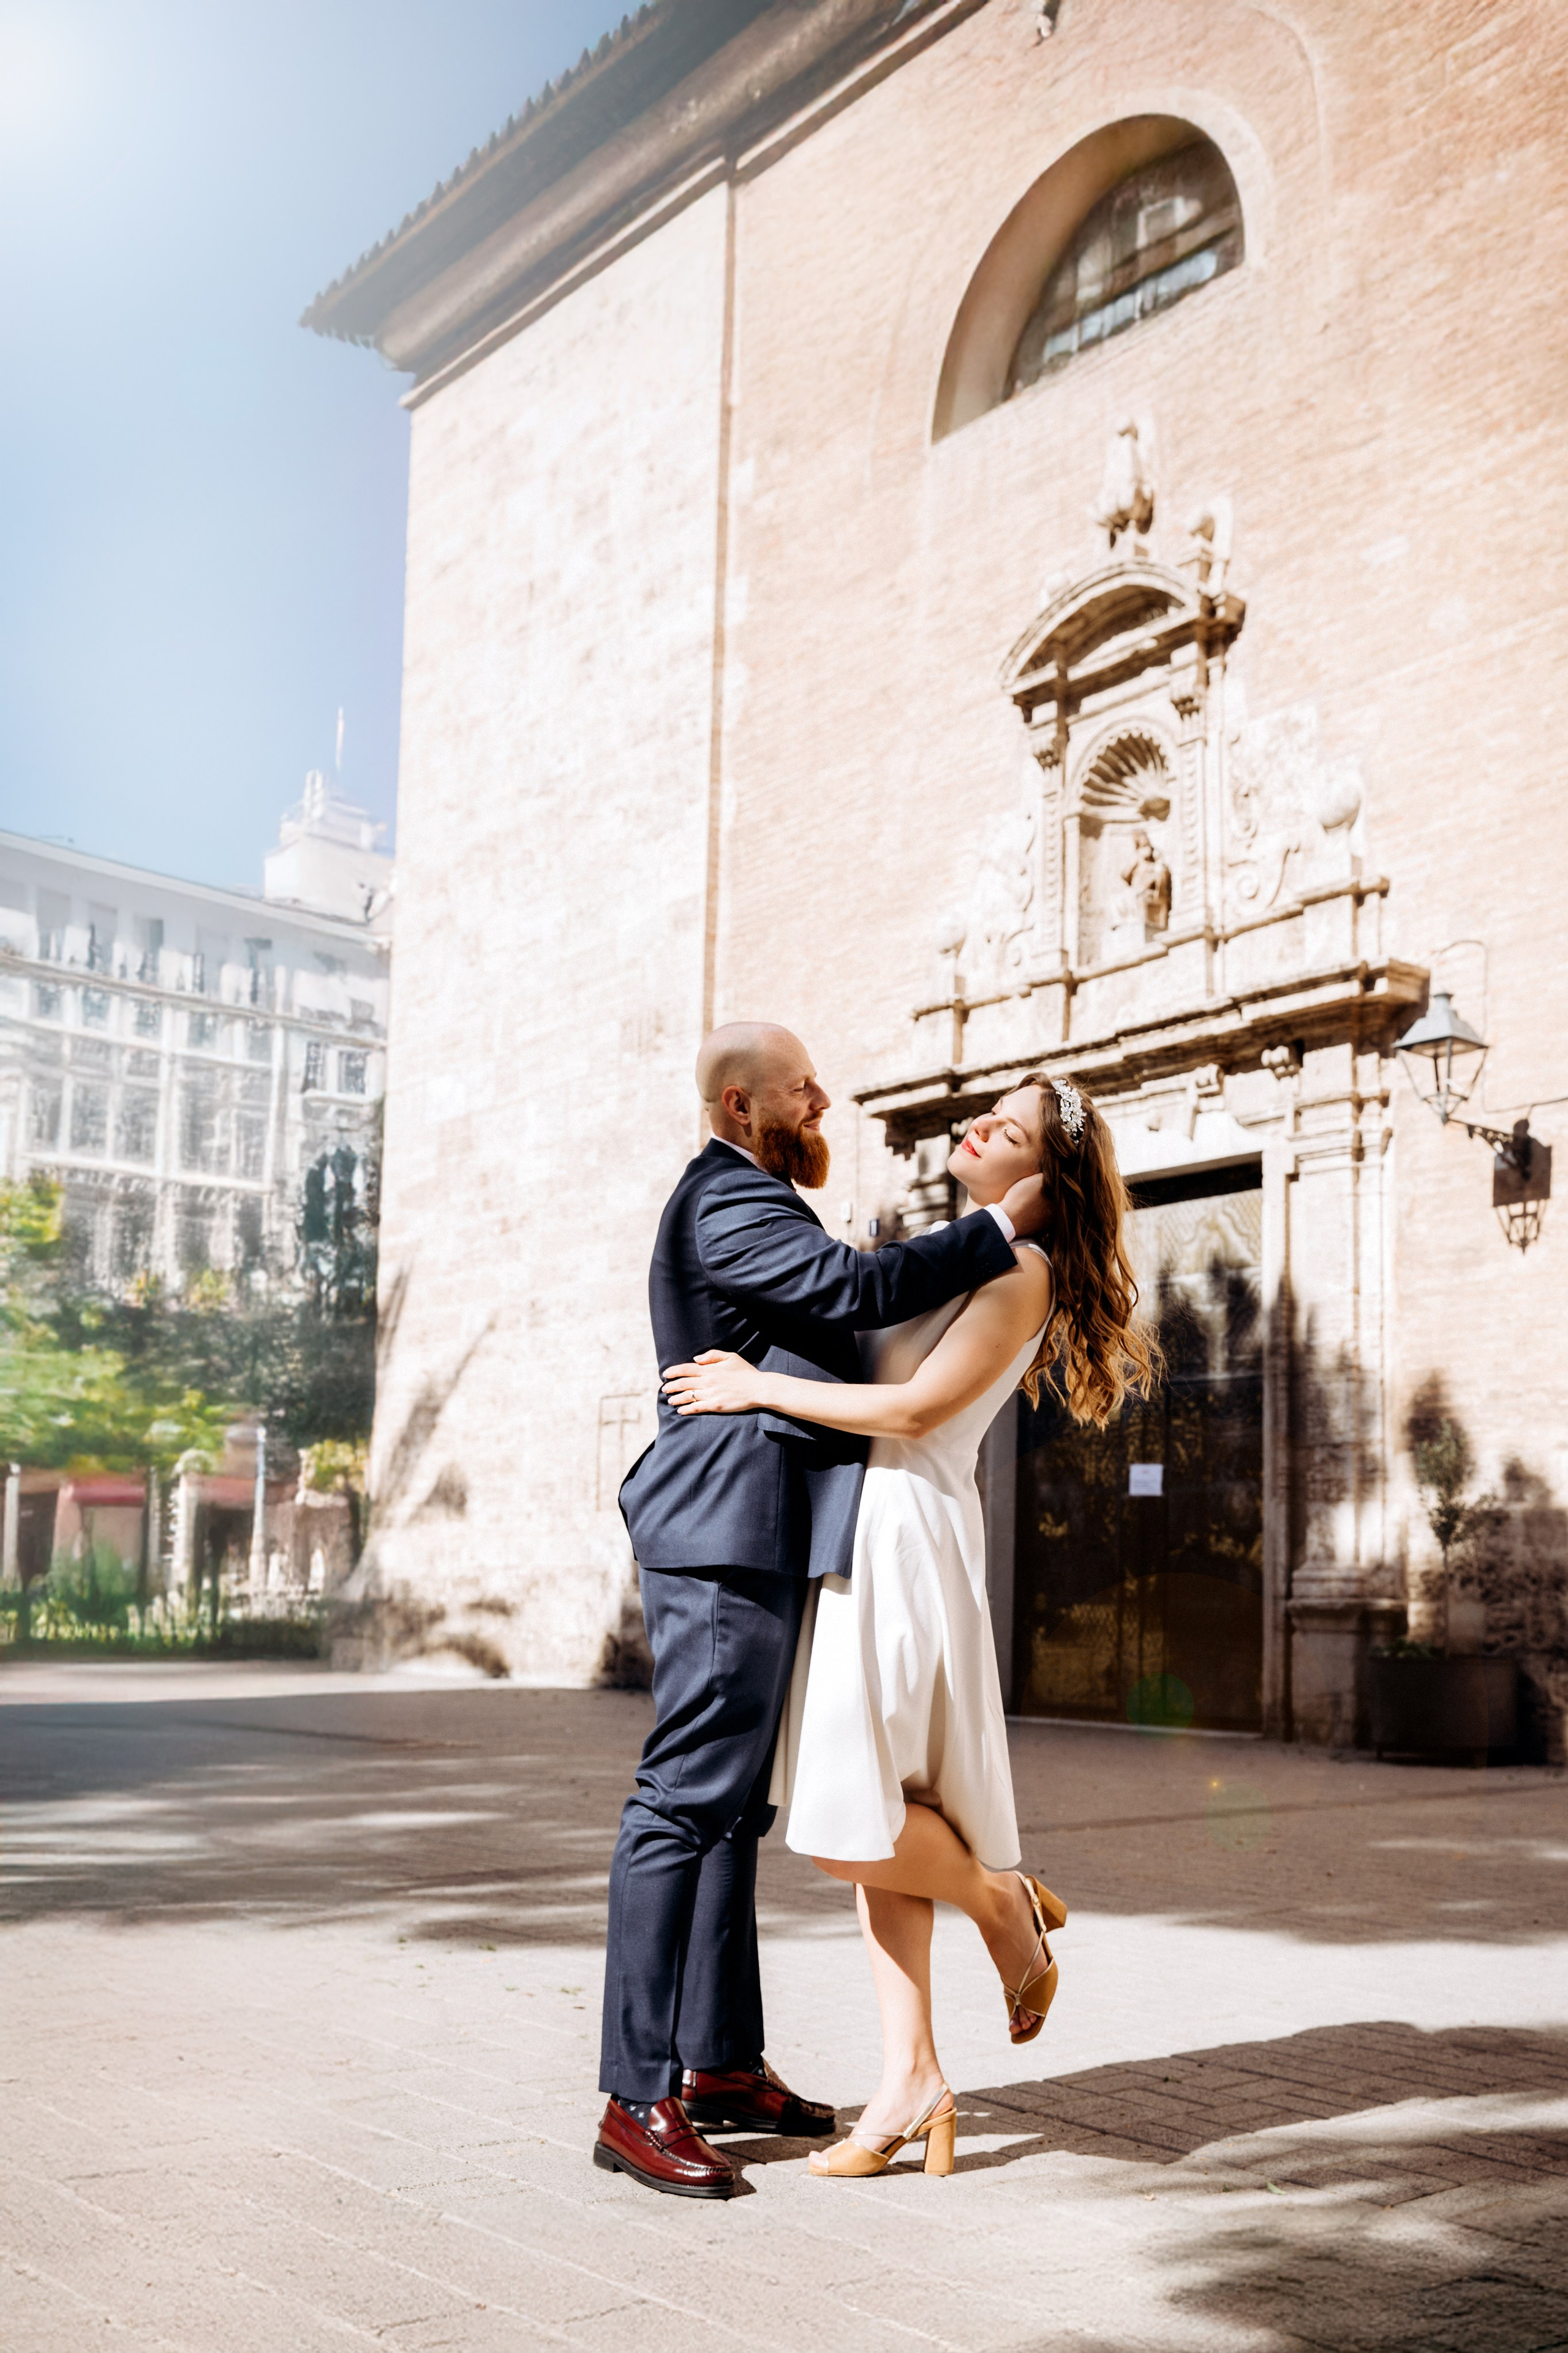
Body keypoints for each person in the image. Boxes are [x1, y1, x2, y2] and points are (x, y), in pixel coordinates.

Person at [663, 1073, 1156, 2179]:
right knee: (885, 1810)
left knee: (851, 1820)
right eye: (985, 1111)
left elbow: (916, 1409)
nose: (977, 1124)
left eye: (1010, 1129)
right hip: (863, 1529)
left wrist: (757, 1389)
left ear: (1040, 1178)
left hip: (907, 1533)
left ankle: (1002, 1902)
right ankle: (912, 2079)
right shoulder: (960, 1248)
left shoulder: (1022, 1269)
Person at [594, 1022, 1049, 2201]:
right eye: (804, 1090)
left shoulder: (761, 1199)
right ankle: (633, 2093)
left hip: (770, 1532)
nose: (825, 1101)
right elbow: (851, 1290)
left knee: (733, 1808)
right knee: (682, 1799)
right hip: (720, 1530)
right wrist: (996, 1227)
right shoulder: (727, 1202)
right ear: (743, 1106)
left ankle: (721, 2065)